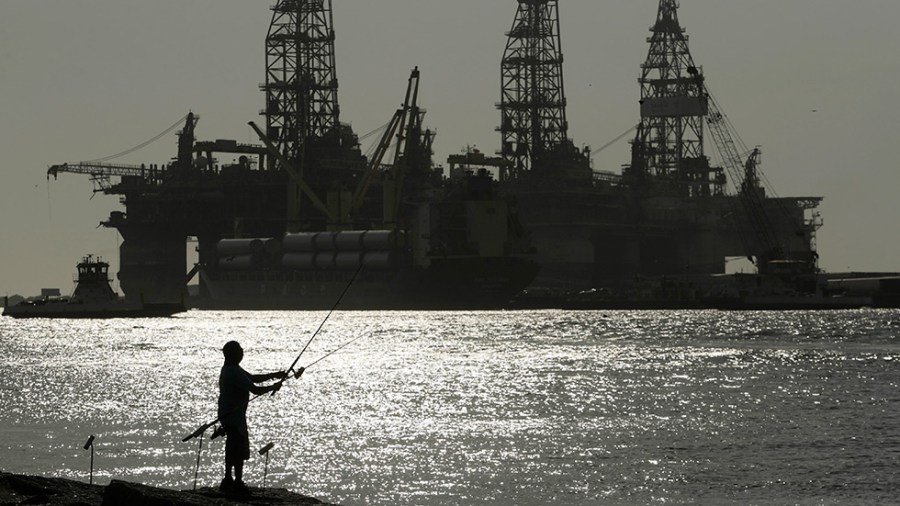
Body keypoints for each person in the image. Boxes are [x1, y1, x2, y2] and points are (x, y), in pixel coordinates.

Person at [218, 340, 287, 495]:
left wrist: (275, 375)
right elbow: (255, 389)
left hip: (227, 414)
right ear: (234, 354)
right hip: (234, 416)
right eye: (240, 351)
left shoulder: (231, 368)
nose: (242, 353)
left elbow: (253, 378)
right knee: (237, 448)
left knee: (231, 447)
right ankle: (237, 482)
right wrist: (273, 387)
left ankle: (229, 479)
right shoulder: (233, 371)